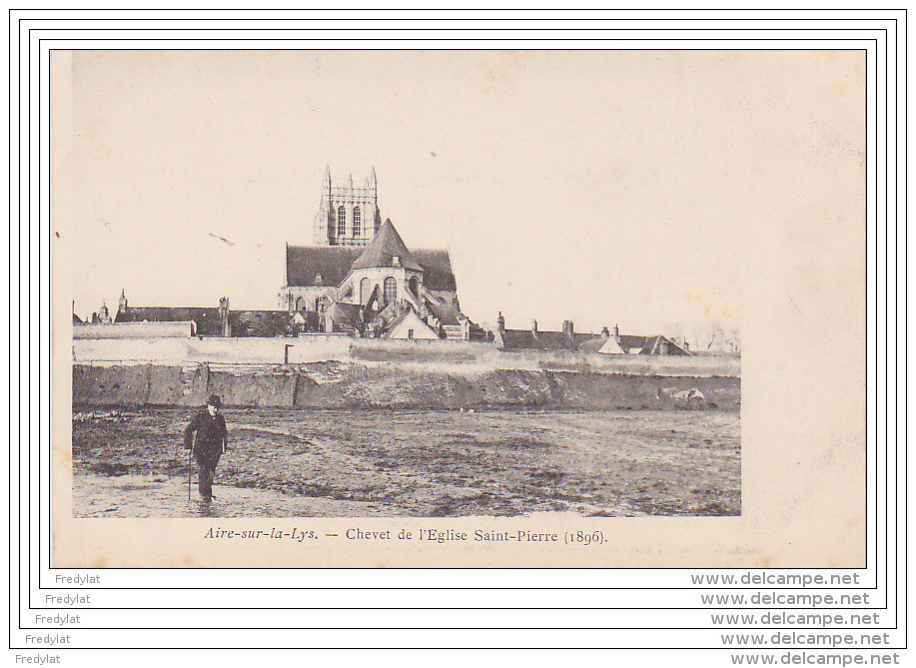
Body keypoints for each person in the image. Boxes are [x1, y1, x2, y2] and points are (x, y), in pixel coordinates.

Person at [184, 394, 229, 502]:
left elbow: (224, 433)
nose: (216, 409)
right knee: (203, 471)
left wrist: (223, 448)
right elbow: (188, 430)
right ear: (208, 405)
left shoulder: (220, 419)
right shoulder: (200, 417)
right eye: (214, 406)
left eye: (217, 407)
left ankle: (207, 494)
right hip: (201, 450)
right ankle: (204, 497)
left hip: (214, 451)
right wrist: (188, 447)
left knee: (211, 473)